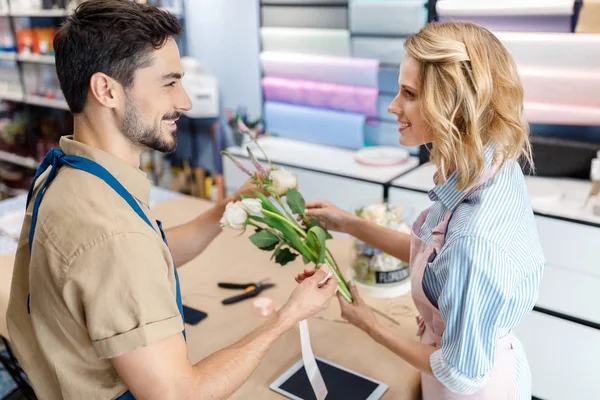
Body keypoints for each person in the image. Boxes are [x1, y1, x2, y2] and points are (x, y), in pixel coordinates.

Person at [6, 1, 337, 399]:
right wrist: (289, 315)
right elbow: (180, 394)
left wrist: (225, 209)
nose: (185, 101)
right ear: (106, 89)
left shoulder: (69, 172)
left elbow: (150, 251)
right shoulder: (113, 234)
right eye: (169, 83)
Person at [296, 21, 545, 399]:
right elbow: (434, 260)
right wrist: (349, 224)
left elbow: (461, 375)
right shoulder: (490, 166)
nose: (393, 106)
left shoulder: (474, 239)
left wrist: (369, 325)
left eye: (408, 93)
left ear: (454, 106)